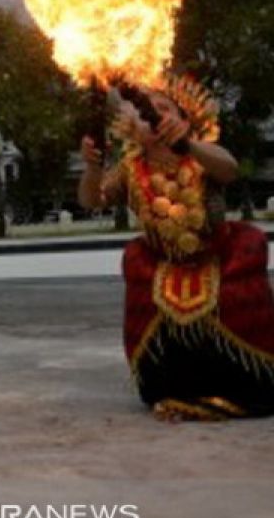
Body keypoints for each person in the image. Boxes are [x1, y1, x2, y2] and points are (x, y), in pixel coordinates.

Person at [78, 75, 274, 421]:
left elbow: (228, 169)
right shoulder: (129, 167)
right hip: (163, 264)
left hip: (219, 258)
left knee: (235, 305)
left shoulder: (202, 156)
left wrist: (190, 145)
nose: (153, 115)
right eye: (144, 112)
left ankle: (240, 387)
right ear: (131, 127)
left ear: (186, 122)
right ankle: (174, 388)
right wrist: (92, 168)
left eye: (165, 109)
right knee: (152, 312)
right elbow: (92, 200)